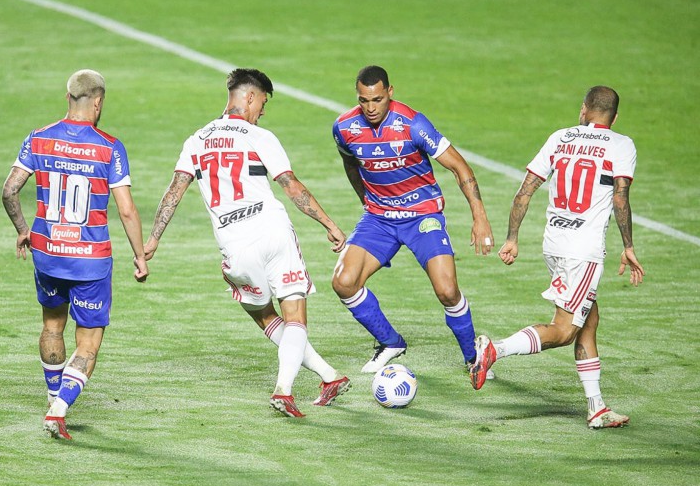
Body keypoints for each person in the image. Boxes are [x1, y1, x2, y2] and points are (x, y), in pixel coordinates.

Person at [144, 68, 350, 418]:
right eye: (263, 103)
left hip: (233, 243)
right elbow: (291, 185)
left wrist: (153, 239)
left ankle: (328, 376)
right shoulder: (259, 135)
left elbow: (174, 191)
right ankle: (284, 390)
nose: (263, 112)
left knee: (262, 314)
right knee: (294, 312)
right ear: (251, 97)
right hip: (271, 228)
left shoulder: (197, 139)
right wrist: (328, 223)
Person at [470, 86, 645, 429]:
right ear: (615, 117)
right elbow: (620, 198)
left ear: (583, 110)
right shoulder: (622, 145)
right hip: (584, 251)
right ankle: (495, 350)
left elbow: (525, 190)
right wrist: (628, 245)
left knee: (589, 320)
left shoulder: (560, 138)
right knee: (565, 330)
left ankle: (596, 407)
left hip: (554, 243)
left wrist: (512, 238)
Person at [2, 69, 149, 440]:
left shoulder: (38, 139)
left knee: (52, 326)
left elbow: (9, 191)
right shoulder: (109, 146)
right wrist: (140, 256)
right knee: (89, 343)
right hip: (90, 261)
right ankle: (59, 409)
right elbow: (127, 210)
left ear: (68, 97)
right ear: (98, 103)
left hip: (48, 253)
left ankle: (53, 394)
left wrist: (23, 231)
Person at [331, 65, 494, 374]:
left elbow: (460, 168)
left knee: (447, 291)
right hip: (379, 218)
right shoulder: (344, 127)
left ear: (390, 93)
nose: (370, 108)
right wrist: (366, 201)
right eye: (363, 100)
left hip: (422, 216)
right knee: (343, 282)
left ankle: (474, 357)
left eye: (377, 99)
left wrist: (480, 217)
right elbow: (350, 164)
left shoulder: (413, 125)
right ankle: (391, 342)